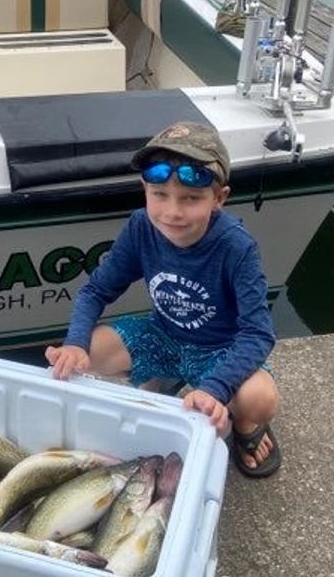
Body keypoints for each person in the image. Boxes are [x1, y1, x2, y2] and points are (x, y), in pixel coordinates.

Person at [45, 121, 282, 477]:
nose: (172, 212)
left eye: (191, 198)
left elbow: (258, 333)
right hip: (162, 335)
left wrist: (215, 388)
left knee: (259, 399)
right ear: (145, 189)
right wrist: (75, 342)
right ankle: (159, 381)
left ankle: (246, 428)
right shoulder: (141, 226)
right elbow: (96, 290)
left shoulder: (237, 246)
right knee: (87, 355)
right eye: (160, 195)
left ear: (219, 198)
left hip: (220, 349)